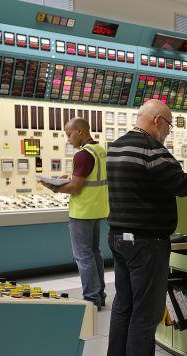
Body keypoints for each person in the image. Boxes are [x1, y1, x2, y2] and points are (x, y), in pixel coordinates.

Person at [105, 99, 187, 356]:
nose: (167, 133)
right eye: (169, 126)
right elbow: (179, 184)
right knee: (147, 312)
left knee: (123, 307)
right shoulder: (152, 149)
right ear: (158, 121)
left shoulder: (116, 146)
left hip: (119, 237)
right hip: (147, 243)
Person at [39, 117, 108, 310]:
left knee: (84, 257)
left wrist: (53, 187)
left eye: (69, 134)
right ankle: (99, 296)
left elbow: (76, 188)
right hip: (98, 209)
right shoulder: (101, 150)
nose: (68, 139)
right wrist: (69, 178)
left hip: (82, 212)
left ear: (80, 131)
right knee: (95, 254)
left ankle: (91, 300)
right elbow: (90, 177)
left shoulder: (82, 155)